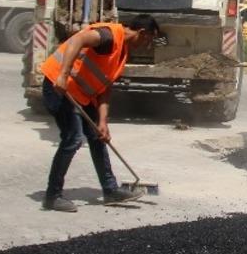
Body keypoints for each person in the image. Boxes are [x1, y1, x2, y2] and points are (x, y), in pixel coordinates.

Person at [39, 14, 161, 212]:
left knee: (97, 137)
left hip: (81, 94)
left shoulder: (121, 51)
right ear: (142, 32)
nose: (148, 45)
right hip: (58, 85)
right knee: (73, 139)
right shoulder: (108, 36)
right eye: (149, 40)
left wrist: (103, 121)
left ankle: (110, 190)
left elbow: (105, 87)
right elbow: (78, 39)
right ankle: (52, 196)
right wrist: (63, 74)